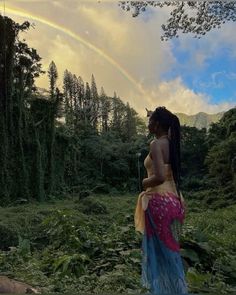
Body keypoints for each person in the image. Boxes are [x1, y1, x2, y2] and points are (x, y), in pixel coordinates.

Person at [134, 106, 188, 294]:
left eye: (150, 121)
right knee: (170, 251)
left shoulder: (155, 144)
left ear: (156, 125)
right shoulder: (171, 144)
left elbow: (159, 177)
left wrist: (143, 182)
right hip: (175, 201)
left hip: (158, 201)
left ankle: (163, 291)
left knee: (159, 253)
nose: (148, 124)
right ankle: (175, 289)